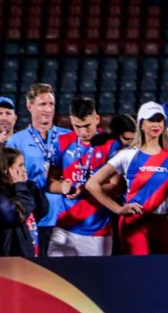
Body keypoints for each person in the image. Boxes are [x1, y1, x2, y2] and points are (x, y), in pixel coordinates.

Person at [86, 102, 168, 255]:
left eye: (159, 120)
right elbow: (92, 184)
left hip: (164, 224)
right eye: (151, 120)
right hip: (135, 222)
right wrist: (118, 209)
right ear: (141, 125)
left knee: (162, 274)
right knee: (139, 273)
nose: (156, 124)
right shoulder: (127, 155)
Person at [46, 97, 121, 257]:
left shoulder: (111, 144)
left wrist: (87, 190)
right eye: (77, 126)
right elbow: (50, 182)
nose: (83, 132)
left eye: (87, 126)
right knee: (55, 279)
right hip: (65, 227)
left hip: (98, 230)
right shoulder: (62, 142)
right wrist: (62, 187)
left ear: (96, 119)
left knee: (94, 282)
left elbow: (117, 188)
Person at [6, 83, 72, 256]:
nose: (48, 109)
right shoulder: (16, 141)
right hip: (36, 217)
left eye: (51, 104)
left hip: (66, 216)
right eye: (42, 104)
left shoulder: (68, 137)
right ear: (30, 106)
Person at [0, 146, 48, 260]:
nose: (25, 170)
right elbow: (13, 216)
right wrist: (21, 187)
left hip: (29, 252)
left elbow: (43, 209)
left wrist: (29, 186)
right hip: (8, 260)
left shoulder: (21, 187)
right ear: (6, 169)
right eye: (20, 166)